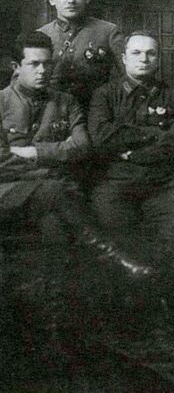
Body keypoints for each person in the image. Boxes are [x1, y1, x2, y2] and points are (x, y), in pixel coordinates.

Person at [0, 31, 151, 277]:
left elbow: (82, 146)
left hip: (55, 195)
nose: (43, 71)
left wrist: (33, 152)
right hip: (11, 193)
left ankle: (56, 294)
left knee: (56, 230)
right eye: (34, 64)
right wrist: (54, 159)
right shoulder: (1, 102)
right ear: (16, 67)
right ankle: (114, 256)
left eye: (47, 63)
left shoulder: (66, 102)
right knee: (56, 191)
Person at [89, 31, 174, 317]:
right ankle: (130, 306)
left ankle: (165, 304)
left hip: (165, 181)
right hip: (118, 180)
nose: (143, 59)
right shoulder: (105, 94)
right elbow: (102, 136)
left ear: (158, 59)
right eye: (136, 53)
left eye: (150, 53)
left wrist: (134, 150)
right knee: (115, 228)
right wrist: (155, 134)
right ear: (124, 58)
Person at [38, 0, 124, 108]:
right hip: (52, 109)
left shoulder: (108, 31)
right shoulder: (41, 35)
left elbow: (127, 76)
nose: (71, 0)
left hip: (95, 109)